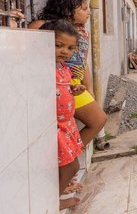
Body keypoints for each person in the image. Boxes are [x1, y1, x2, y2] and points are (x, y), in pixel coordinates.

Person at [28, 0, 107, 150]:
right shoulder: (43, 25)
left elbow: (83, 63)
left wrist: (89, 87)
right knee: (98, 120)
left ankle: (69, 156)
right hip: (58, 84)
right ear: (68, 9)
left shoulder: (83, 33)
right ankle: (67, 159)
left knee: (96, 121)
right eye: (84, 9)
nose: (88, 14)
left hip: (75, 86)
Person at [40, 19, 85, 210]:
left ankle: (56, 193)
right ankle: (53, 201)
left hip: (67, 125)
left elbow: (63, 88)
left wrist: (75, 89)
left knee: (69, 166)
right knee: (72, 167)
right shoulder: (42, 68)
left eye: (70, 48)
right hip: (56, 127)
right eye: (59, 45)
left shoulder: (63, 68)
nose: (65, 51)